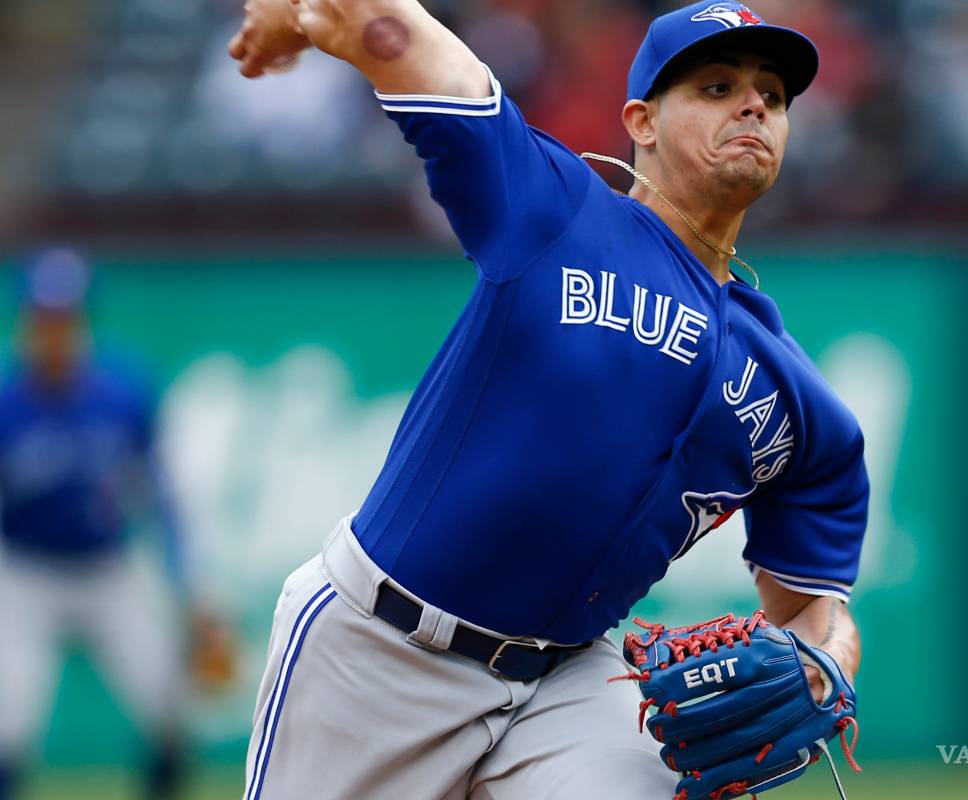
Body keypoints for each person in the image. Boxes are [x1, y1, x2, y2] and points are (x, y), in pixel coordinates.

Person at [229, 2, 869, 798]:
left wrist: (824, 664)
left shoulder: (801, 405)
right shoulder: (556, 211)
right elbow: (406, 41)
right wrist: (306, 18)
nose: (753, 106)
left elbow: (817, 612)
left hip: (571, 686)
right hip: (379, 653)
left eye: (772, 96)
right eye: (716, 85)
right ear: (640, 120)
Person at [0, 248, 202, 800]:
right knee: (7, 719)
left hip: (106, 569)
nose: (54, 331)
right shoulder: (6, 403)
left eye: (65, 318)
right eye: (43, 319)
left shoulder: (121, 394)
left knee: (167, 702)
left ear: (83, 321)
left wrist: (191, 585)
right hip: (23, 573)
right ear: (26, 323)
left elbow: (163, 496)